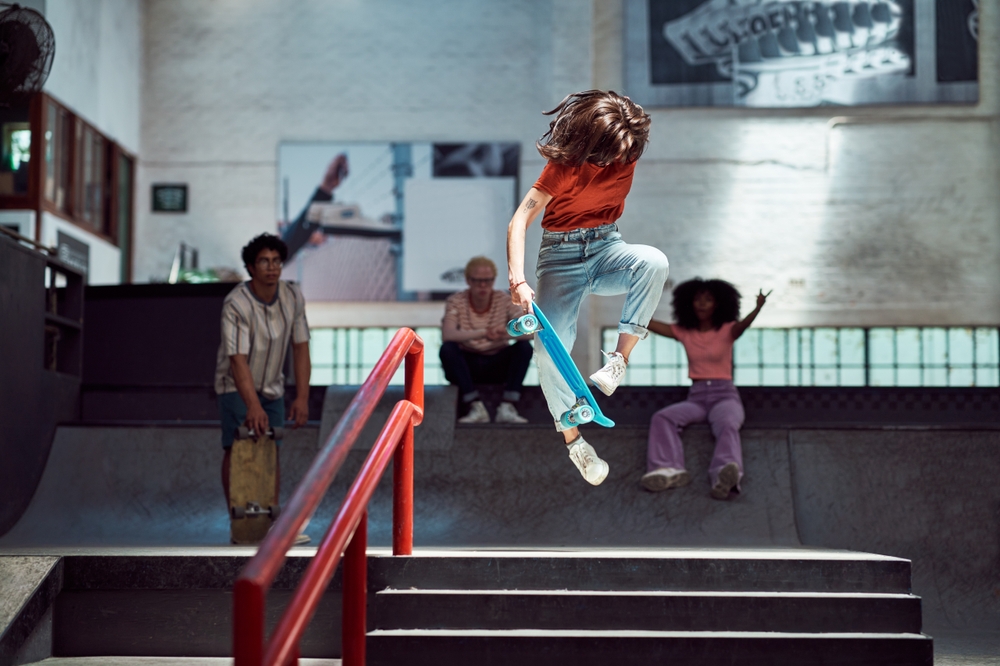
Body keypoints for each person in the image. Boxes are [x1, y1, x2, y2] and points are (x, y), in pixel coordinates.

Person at [506, 90, 669, 486]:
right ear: (594, 143)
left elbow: (626, 129)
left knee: (653, 262)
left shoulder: (628, 152)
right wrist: (519, 280)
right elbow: (518, 222)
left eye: (627, 152)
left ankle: (618, 362)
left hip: (607, 248)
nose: (620, 160)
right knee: (547, 349)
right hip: (559, 259)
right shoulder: (562, 168)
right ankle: (575, 442)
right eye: (612, 152)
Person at [214, 233, 312, 543]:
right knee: (239, 446)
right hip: (235, 384)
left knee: (271, 447)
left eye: (276, 261)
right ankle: (240, 523)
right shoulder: (236, 303)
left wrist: (302, 397)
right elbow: (237, 359)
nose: (272, 267)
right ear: (250, 267)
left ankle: (271, 524)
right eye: (264, 262)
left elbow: (301, 348)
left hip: (273, 387)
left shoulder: (293, 296)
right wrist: (252, 406)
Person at [642, 279, 769, 500]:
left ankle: (724, 474)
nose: (701, 304)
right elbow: (648, 323)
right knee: (662, 418)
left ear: (718, 305)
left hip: (725, 396)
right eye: (697, 299)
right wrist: (637, 300)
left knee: (728, 423)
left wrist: (757, 307)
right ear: (688, 304)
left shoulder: (728, 330)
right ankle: (667, 469)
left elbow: (744, 324)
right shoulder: (684, 332)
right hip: (697, 398)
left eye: (708, 299)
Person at [440, 256, 533, 424]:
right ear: (468, 280)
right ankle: (474, 405)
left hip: (497, 362)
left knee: (524, 347)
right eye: (477, 281)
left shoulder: (505, 300)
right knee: (448, 349)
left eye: (487, 281)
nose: (483, 286)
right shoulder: (456, 301)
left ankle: (508, 405)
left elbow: (530, 332)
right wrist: (484, 332)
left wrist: (504, 333)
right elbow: (448, 334)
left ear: (493, 280)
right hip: (469, 365)